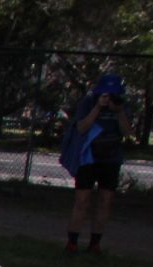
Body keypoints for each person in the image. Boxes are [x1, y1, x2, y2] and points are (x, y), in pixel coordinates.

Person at [60, 73, 129, 254]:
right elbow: (81, 127)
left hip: (111, 158)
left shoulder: (121, 105)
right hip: (89, 157)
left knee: (105, 201)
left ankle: (95, 243)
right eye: (107, 94)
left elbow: (127, 132)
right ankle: (72, 241)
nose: (110, 98)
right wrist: (98, 108)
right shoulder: (89, 102)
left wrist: (119, 111)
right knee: (82, 200)